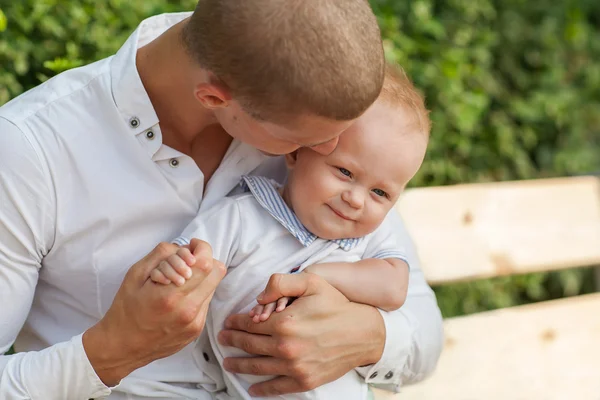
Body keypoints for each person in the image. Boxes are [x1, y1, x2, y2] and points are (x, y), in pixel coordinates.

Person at [0, 1, 443, 399]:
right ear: (214, 98)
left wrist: (367, 337)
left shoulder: (316, 109)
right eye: (305, 142)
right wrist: (111, 352)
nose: (329, 151)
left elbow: (423, 332)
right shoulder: (29, 154)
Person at [150, 66, 430, 399]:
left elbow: (395, 287)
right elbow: (187, 260)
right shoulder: (241, 217)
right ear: (296, 152)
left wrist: (317, 277)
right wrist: (175, 265)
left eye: (381, 193)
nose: (356, 199)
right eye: (344, 172)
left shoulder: (370, 235)